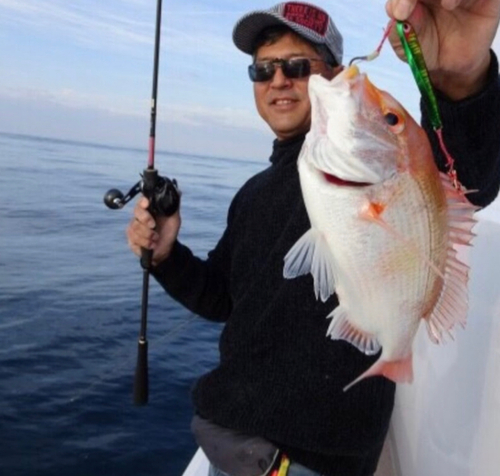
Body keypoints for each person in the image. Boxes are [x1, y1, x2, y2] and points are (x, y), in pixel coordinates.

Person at [126, 1, 500, 475]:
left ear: (333, 74)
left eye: (297, 66)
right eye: (262, 70)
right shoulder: (254, 193)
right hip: (227, 443)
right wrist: (165, 257)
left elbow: (460, 178)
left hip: (303, 462)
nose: (278, 80)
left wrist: (461, 80)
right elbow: (222, 299)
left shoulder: (370, 172)